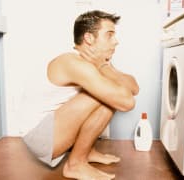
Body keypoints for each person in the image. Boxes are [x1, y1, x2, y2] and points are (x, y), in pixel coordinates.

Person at [23, 10, 139, 180]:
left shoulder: (97, 62)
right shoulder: (72, 62)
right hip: (40, 138)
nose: (116, 41)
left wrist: (105, 67)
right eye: (109, 35)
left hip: (55, 130)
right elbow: (127, 102)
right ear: (89, 38)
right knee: (107, 96)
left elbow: (134, 88)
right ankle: (75, 165)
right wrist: (104, 70)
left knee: (110, 92)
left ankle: (87, 152)